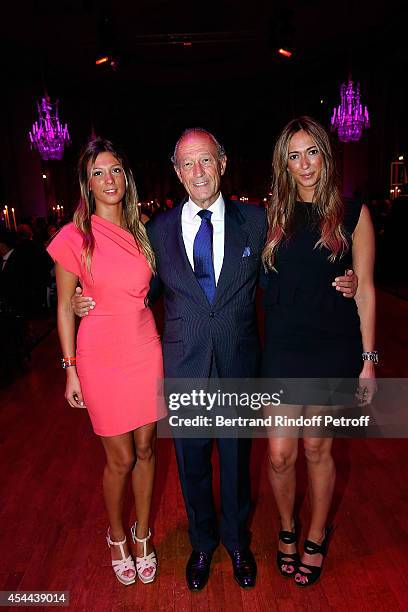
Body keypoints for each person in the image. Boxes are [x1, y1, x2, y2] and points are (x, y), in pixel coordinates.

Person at [72, 127, 357, 591]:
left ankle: (237, 542)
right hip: (184, 367)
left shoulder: (257, 221)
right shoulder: (156, 232)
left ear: (222, 164)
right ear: (177, 173)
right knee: (192, 465)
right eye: (188, 163)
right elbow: (134, 290)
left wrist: (347, 280)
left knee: (237, 462)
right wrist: (80, 301)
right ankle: (203, 543)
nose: (198, 172)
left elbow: (288, 278)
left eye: (206, 161)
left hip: (239, 363)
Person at [261, 116, 376, 587]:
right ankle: (286, 525)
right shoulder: (273, 216)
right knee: (279, 454)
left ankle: (314, 533)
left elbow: (365, 288)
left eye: (312, 152)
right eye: (294, 155)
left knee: (316, 447)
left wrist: (369, 362)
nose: (304, 164)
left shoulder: (354, 214)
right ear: (284, 165)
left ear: (325, 157)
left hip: (333, 344)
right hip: (285, 345)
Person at [47, 138, 166, 587]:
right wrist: (69, 367)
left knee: (147, 449)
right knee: (119, 458)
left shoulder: (144, 231)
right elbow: (63, 306)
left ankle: (142, 535)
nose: (109, 179)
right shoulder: (73, 236)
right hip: (99, 356)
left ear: (126, 177)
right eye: (99, 173)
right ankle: (117, 535)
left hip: (144, 348)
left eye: (115, 170)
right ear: (87, 183)